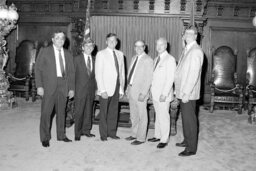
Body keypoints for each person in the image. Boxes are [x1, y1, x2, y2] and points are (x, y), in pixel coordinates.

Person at [35, 31, 75, 147]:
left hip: (63, 85)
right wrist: (39, 86)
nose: (60, 40)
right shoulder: (45, 51)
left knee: (61, 112)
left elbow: (71, 73)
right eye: (57, 38)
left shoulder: (68, 53)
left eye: (62, 38)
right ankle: (45, 137)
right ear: (53, 39)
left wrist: (71, 88)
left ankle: (61, 135)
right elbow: (38, 69)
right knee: (46, 113)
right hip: (49, 86)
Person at [175, 25, 204, 157]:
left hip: (188, 93)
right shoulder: (187, 49)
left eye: (191, 34)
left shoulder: (196, 51)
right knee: (185, 119)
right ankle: (187, 140)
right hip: (183, 91)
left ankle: (191, 148)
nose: (187, 36)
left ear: (196, 36)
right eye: (186, 33)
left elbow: (193, 74)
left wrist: (186, 92)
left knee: (190, 120)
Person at [95, 33, 125, 141]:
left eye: (114, 41)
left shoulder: (120, 54)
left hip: (116, 87)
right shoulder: (101, 54)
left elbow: (121, 73)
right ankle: (103, 135)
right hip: (105, 88)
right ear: (106, 42)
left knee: (114, 111)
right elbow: (98, 73)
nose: (112, 42)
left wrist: (121, 89)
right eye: (110, 40)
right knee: (103, 112)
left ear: (117, 42)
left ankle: (112, 133)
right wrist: (102, 90)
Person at [148, 38, 176, 149]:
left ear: (166, 46)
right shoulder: (156, 59)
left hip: (163, 94)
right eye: (157, 45)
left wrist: (164, 93)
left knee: (164, 116)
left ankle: (164, 139)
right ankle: (157, 135)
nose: (159, 47)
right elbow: (153, 78)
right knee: (158, 116)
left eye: (161, 45)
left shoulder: (170, 59)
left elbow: (170, 78)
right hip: (155, 93)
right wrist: (151, 90)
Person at [125, 40, 153, 145]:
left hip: (141, 92)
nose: (138, 48)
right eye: (136, 46)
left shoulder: (148, 60)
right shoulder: (133, 58)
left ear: (144, 47)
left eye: (141, 46)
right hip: (132, 90)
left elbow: (149, 78)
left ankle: (141, 138)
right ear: (134, 47)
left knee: (142, 116)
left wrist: (144, 93)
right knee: (133, 115)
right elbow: (131, 75)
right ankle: (134, 134)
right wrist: (128, 88)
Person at [73, 38, 96, 141]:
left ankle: (86, 130)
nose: (89, 48)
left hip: (90, 90)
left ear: (93, 48)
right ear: (82, 47)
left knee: (88, 111)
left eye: (91, 46)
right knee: (79, 111)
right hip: (79, 90)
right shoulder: (76, 59)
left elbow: (95, 77)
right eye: (87, 46)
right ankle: (77, 133)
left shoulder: (95, 60)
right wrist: (72, 90)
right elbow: (72, 76)